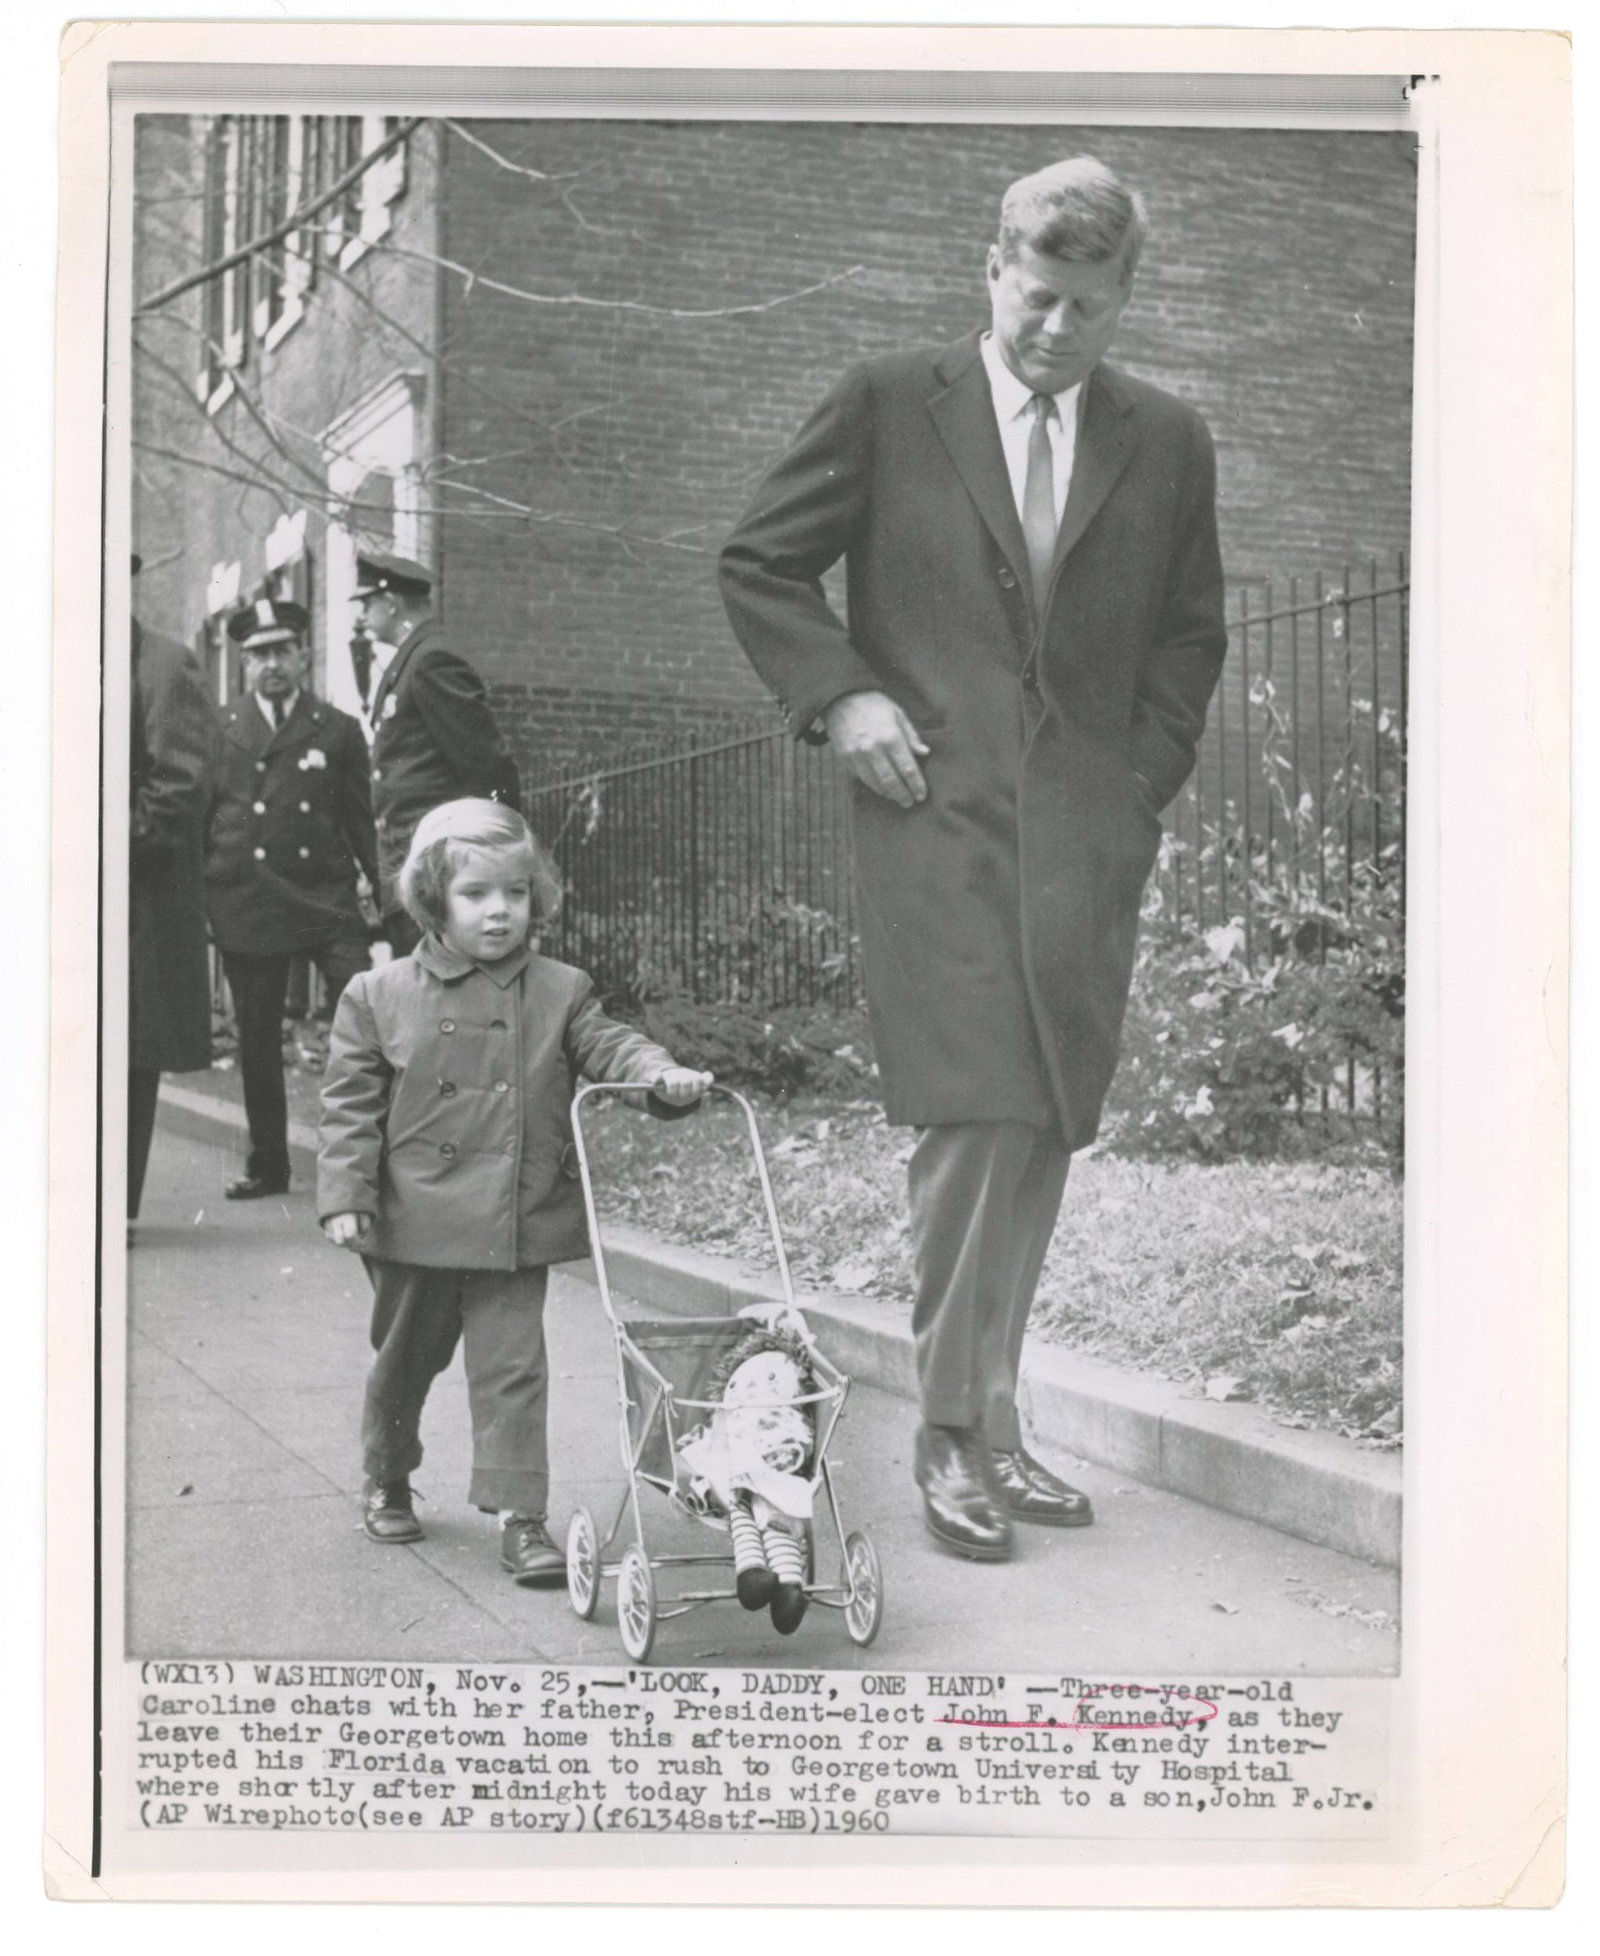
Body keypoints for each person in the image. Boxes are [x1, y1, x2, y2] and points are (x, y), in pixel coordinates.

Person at [719, 157, 1228, 1563]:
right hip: (931, 820)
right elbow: (760, 561)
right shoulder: (891, 403)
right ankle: (949, 1429)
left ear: (1123, 298)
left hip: (1083, 840)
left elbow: (1190, 633)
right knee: (970, 1117)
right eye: (1037, 295)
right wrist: (843, 696)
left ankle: (997, 1422)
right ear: (992, 270)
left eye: (1088, 306)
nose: (1057, 329)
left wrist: (1136, 787)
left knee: (1044, 1118)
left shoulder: (1167, 439)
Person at [316, 799, 712, 1583]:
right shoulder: (378, 993)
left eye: (516, 892)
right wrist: (345, 1194)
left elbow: (609, 1044)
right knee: (405, 1361)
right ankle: (387, 1474)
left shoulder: (560, 989)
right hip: (414, 1214)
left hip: (513, 1217)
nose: (499, 911)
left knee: (513, 1369)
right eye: (475, 893)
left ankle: (520, 1516)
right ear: (434, 899)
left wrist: (658, 1075)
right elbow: (350, 1106)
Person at [204, 597, 378, 1200]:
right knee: (257, 1039)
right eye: (259, 655)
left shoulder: (338, 729)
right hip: (249, 899)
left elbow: (362, 822)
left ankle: (371, 1163)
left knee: (367, 1020)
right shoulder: (220, 728)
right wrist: (202, 898)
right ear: (244, 662)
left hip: (325, 899)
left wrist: (389, 898)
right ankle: (268, 1164)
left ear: (303, 655)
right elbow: (203, 818)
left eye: (282, 651)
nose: (272, 665)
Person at [353, 552, 522, 957]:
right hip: (412, 867)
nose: (362, 615)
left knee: (446, 984)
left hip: (439, 868)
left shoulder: (431, 660)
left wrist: (495, 851)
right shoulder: (412, 660)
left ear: (390, 602)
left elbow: (487, 763)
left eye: (367, 602)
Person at [129, 562, 218, 1221]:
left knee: (127, 1053)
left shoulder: (162, 665)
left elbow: (179, 786)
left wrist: (96, 845)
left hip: (135, 899)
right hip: (59, 902)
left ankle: (114, 1205)